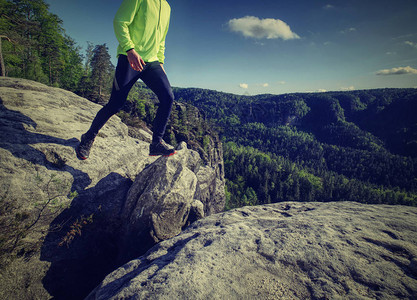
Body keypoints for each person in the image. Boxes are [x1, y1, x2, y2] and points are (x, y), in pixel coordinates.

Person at [76, 0, 176, 160]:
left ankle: (156, 143)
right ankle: (88, 137)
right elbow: (120, 22)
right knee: (115, 105)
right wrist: (129, 49)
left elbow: (161, 39)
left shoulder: (167, 7)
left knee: (168, 97)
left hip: (152, 62)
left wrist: (161, 60)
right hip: (130, 58)